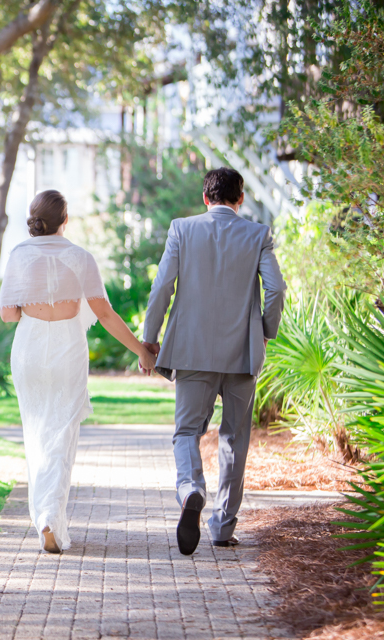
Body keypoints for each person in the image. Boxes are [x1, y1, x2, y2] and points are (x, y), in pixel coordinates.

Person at [0, 190, 157, 554]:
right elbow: (104, 315)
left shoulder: (20, 255)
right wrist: (141, 352)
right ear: (64, 220)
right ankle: (50, 516)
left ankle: (45, 516)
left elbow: (8, 314)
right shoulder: (80, 258)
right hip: (68, 348)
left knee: (36, 432)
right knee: (62, 434)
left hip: (30, 347)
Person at [142, 167, 287, 555]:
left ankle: (191, 489)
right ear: (240, 199)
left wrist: (149, 340)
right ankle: (222, 527)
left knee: (187, 431)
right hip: (242, 354)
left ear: (206, 199)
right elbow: (275, 290)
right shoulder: (258, 235)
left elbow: (161, 289)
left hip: (190, 352)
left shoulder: (182, 230)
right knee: (235, 439)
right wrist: (264, 333)